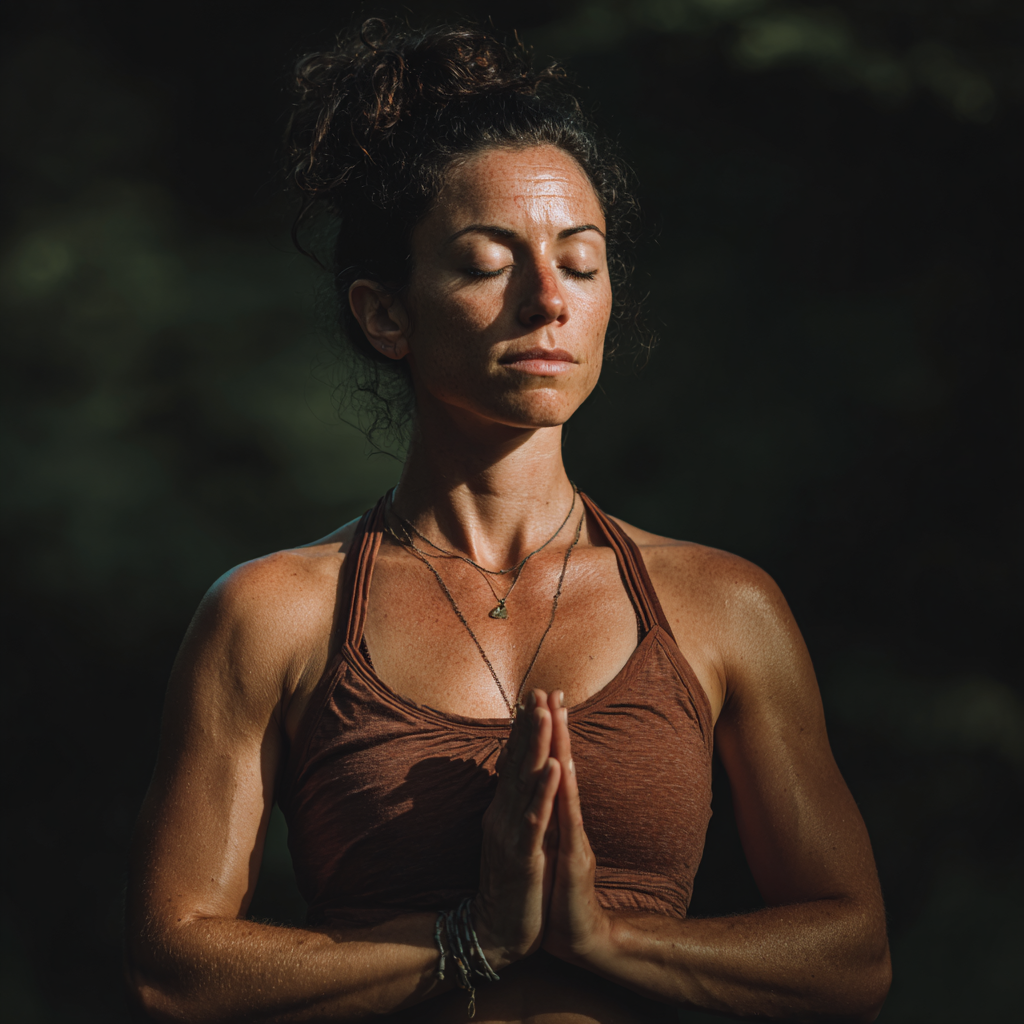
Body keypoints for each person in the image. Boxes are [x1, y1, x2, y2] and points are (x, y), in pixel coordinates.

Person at [125, 19, 891, 1023]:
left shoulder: (723, 606)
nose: (547, 303)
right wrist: (472, 939)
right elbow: (173, 973)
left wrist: (602, 939)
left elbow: (851, 960)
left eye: (580, 261)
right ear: (385, 315)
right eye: (488, 262)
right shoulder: (272, 616)